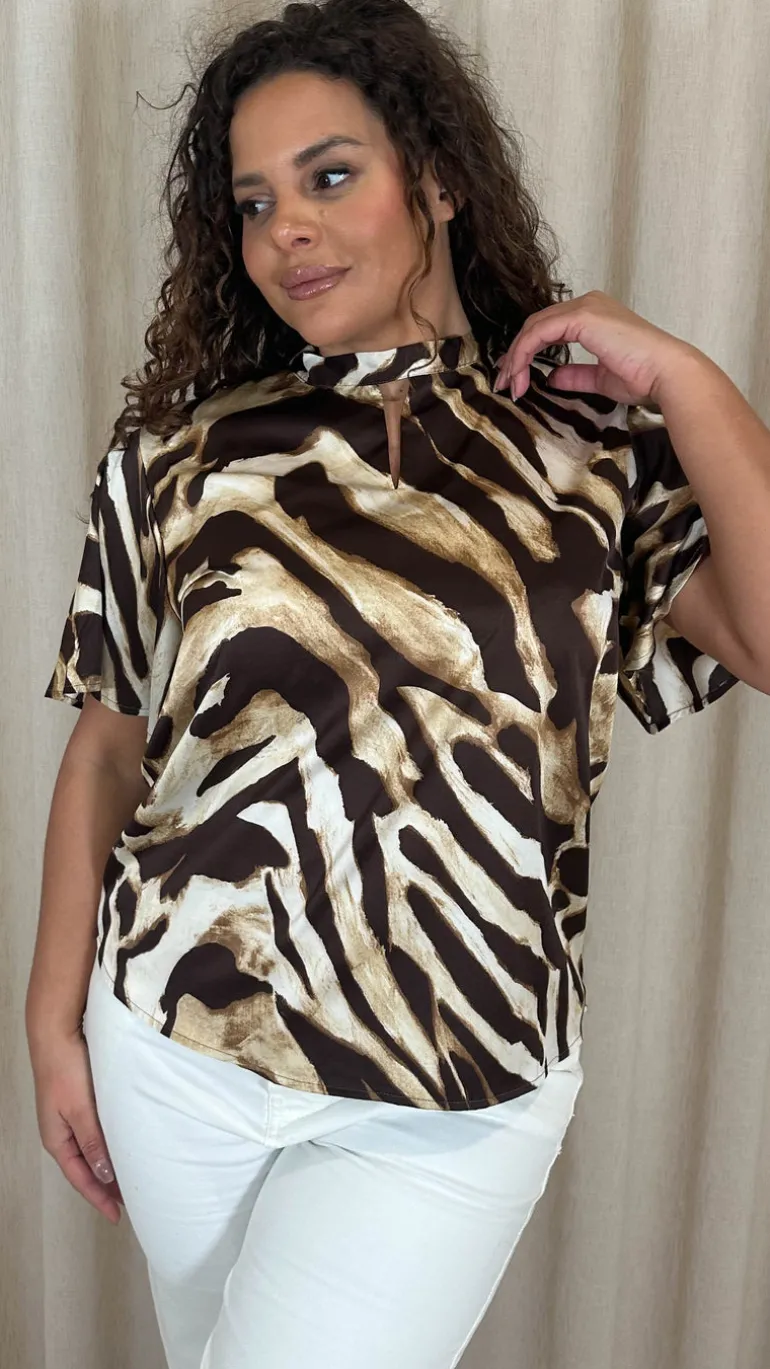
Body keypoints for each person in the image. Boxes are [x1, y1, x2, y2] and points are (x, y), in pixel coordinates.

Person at [26, 2, 746, 1367]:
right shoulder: (178, 459)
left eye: (330, 175)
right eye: (254, 202)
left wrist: (687, 382)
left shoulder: (591, 452)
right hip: (178, 1043)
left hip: (455, 1082)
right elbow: (111, 746)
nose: (286, 229)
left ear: (439, 179)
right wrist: (51, 1022)